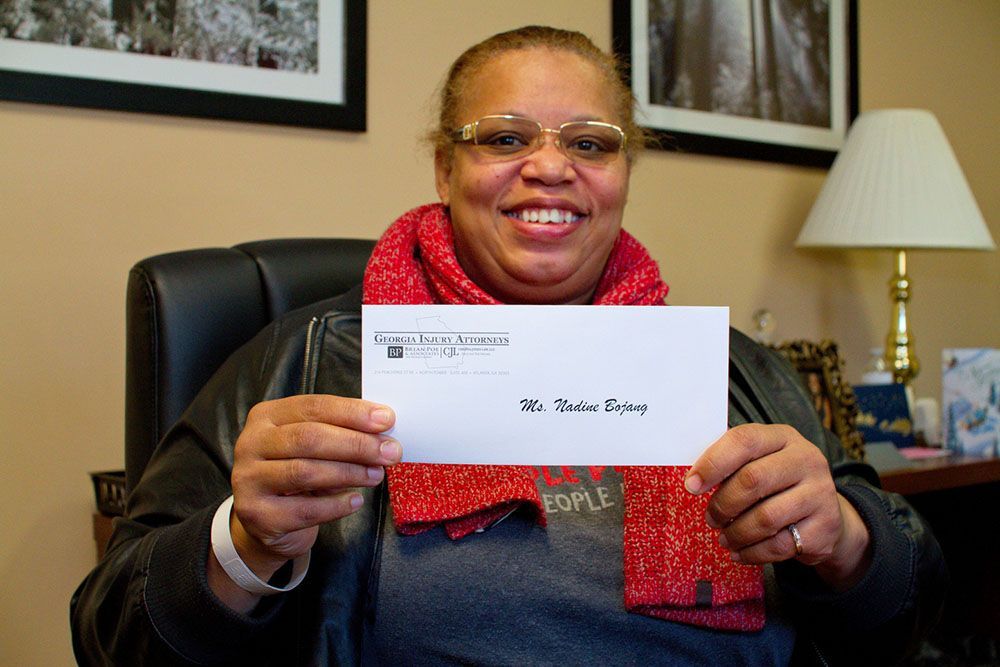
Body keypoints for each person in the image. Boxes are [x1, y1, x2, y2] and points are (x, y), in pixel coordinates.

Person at [71, 26, 946, 666]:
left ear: (623, 176)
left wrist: (847, 538)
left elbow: (910, 612)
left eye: (590, 143)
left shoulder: (734, 370)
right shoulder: (306, 358)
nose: (551, 166)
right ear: (445, 169)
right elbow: (111, 631)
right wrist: (245, 542)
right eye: (504, 137)